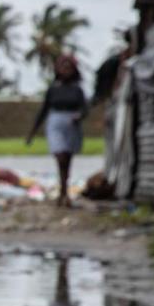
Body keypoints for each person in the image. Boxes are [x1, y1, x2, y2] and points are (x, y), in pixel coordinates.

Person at [27, 54, 88, 207]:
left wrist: (79, 116)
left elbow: (85, 109)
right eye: (63, 67)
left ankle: (64, 192)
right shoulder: (53, 90)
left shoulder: (77, 90)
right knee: (60, 156)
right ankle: (62, 191)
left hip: (72, 125)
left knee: (67, 158)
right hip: (55, 124)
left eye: (69, 67)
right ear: (58, 70)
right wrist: (32, 133)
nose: (66, 70)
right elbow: (43, 111)